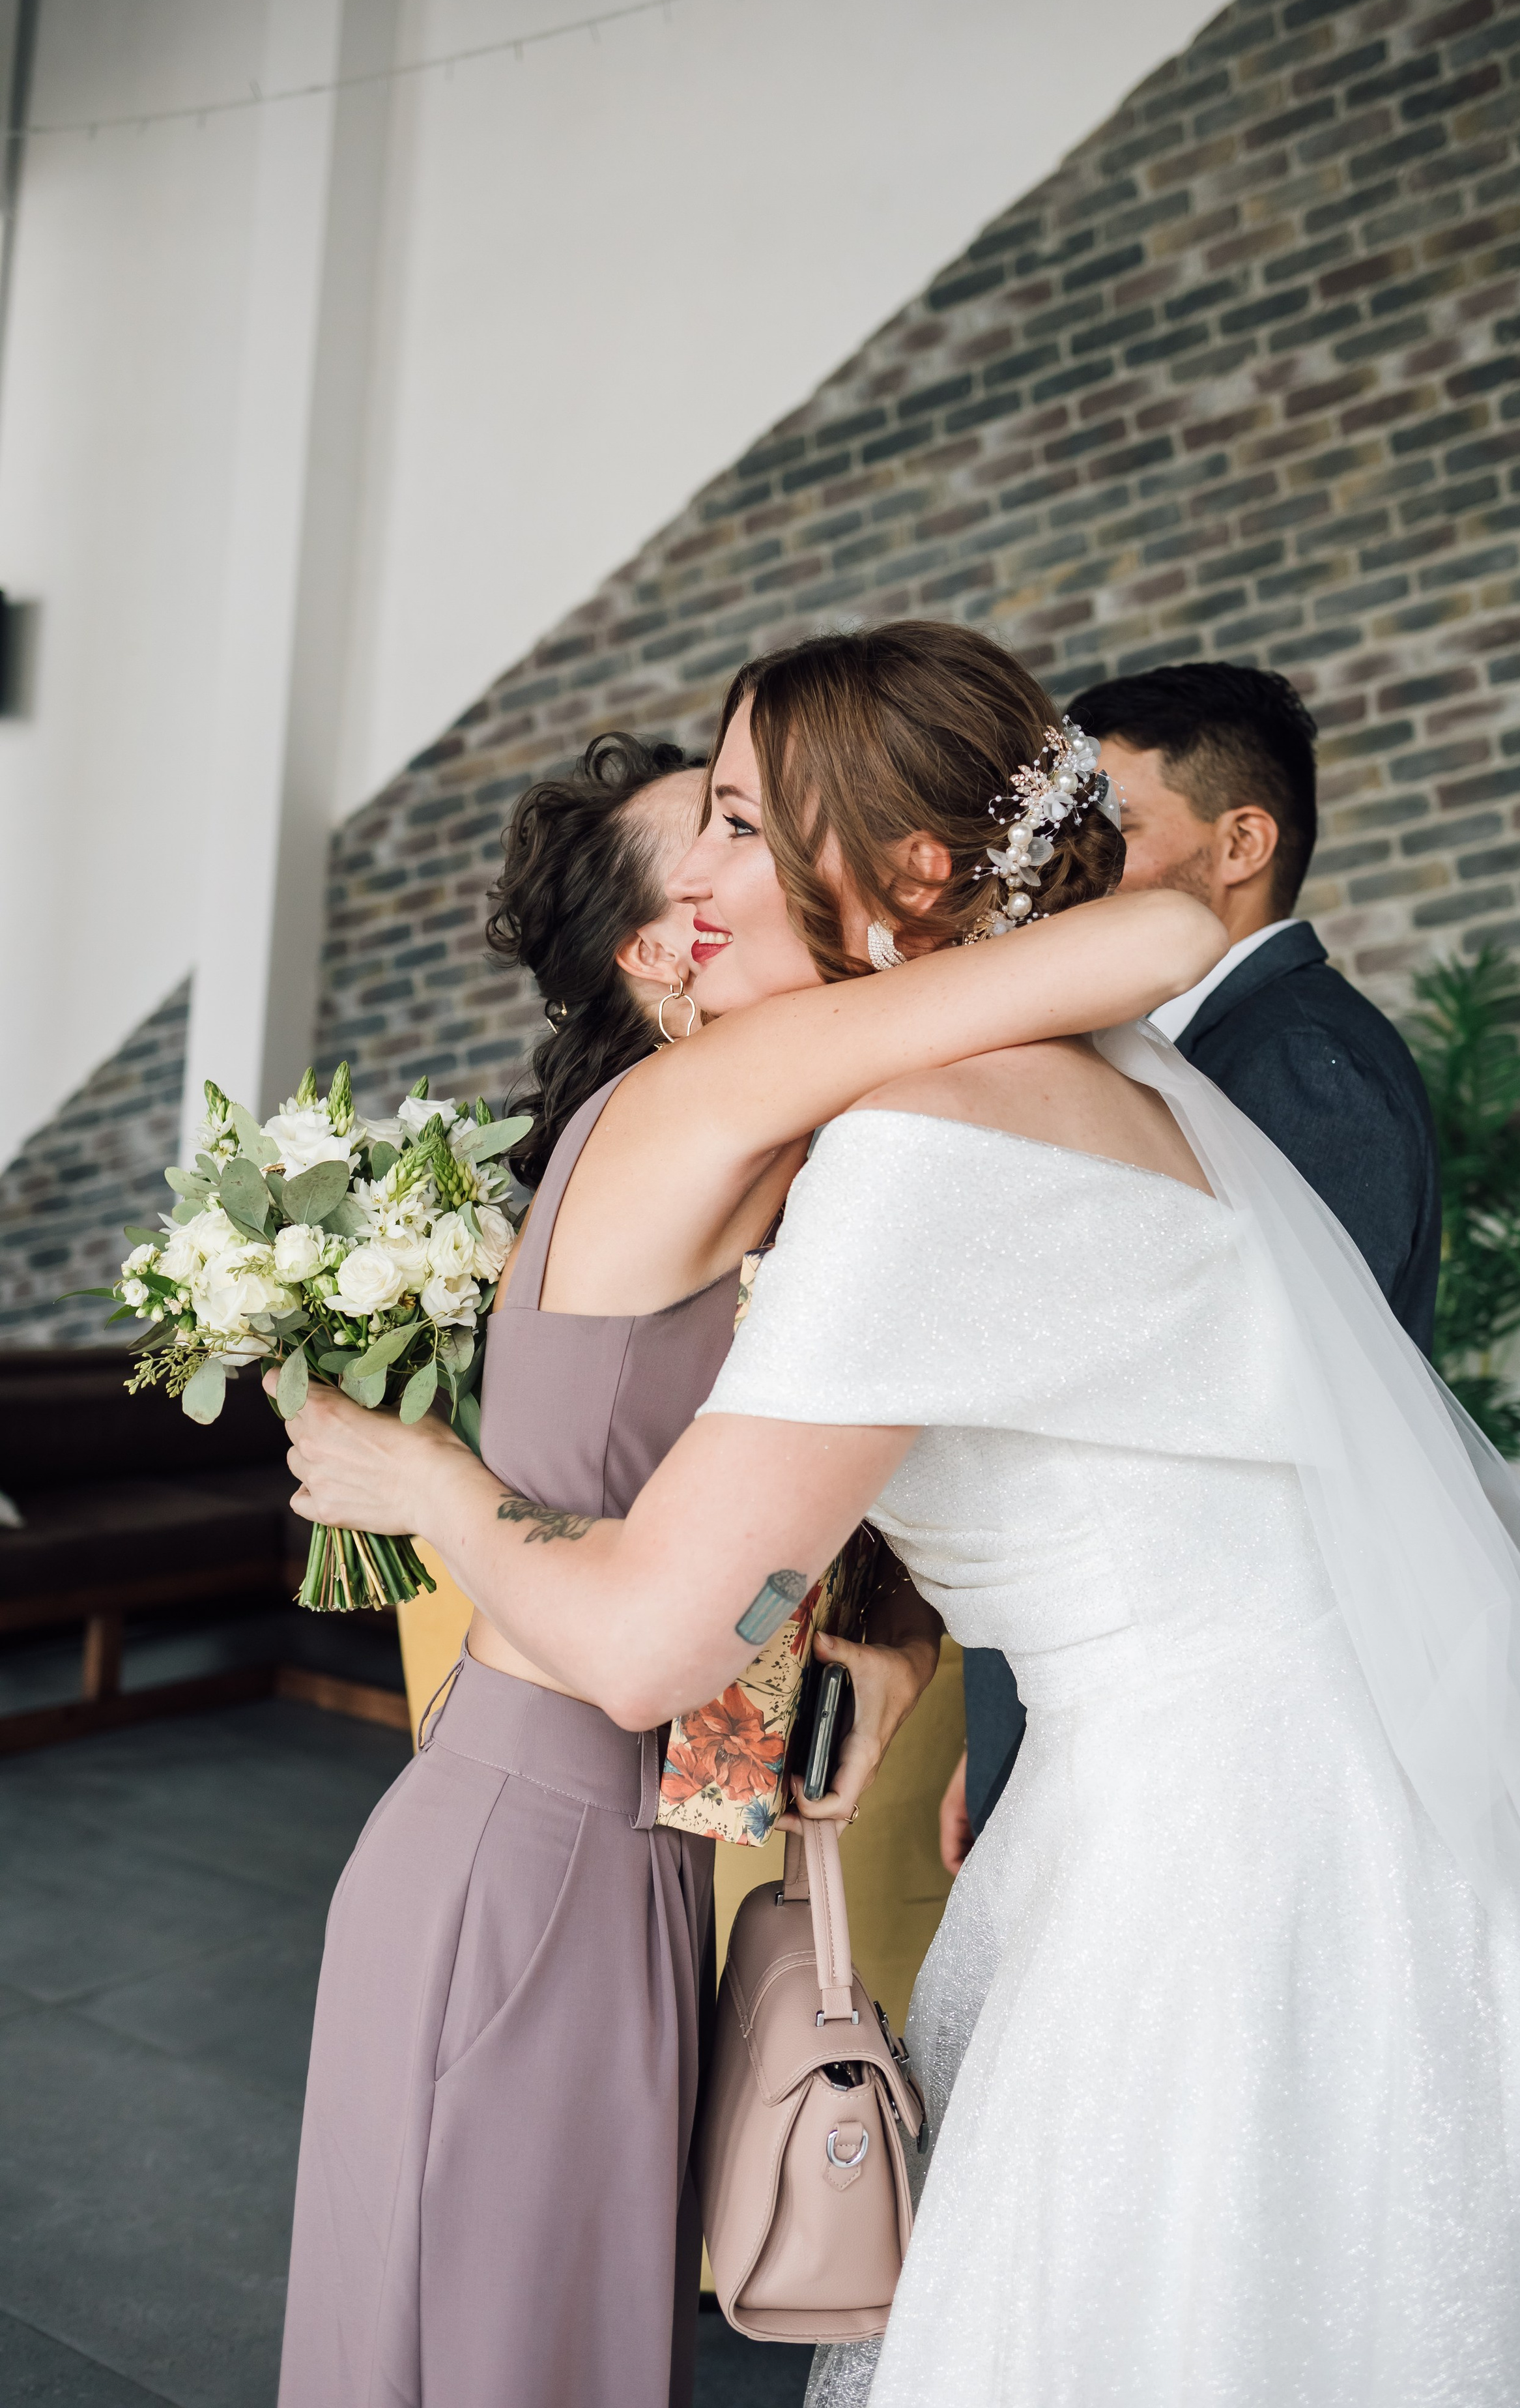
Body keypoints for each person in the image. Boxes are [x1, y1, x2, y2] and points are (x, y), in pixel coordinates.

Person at [287, 652, 1520, 2407]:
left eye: (733, 820)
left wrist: (427, 1484)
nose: (696, 880)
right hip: (1333, 1813)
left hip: (1217, 1870)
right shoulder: (1121, 1080)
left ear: (914, 878)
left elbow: (652, 1642)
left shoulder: (923, 1148)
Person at [276, 629, 1223, 2408]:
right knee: (496, 2352)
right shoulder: (709, 1091)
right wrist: (436, 1486)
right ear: (667, 952)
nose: (720, 871)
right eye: (703, 838)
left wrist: (857, 1630)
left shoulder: (759, 1140)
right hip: (539, 1851)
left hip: (590, 1849)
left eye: (743, 827)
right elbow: (1162, 936)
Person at [946, 659, 1444, 1868]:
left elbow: (1266, 1406)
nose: (1080, 864)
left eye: (1116, 824)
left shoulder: (1306, 1065)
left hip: (1229, 1704)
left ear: (1241, 843)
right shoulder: (1179, 1052)